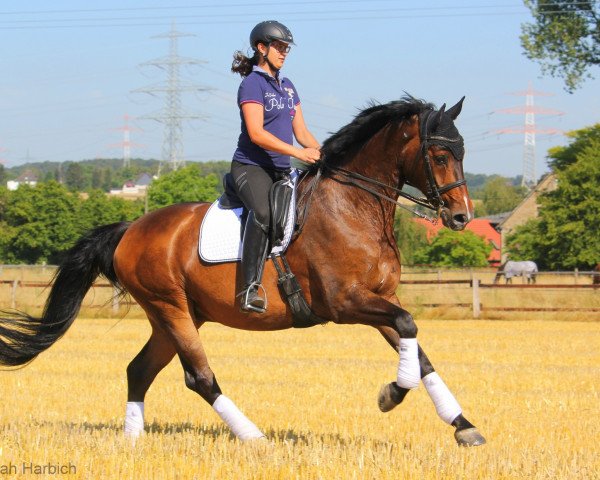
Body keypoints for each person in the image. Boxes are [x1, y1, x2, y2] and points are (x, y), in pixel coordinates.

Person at [230, 20, 321, 313]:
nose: (284, 53)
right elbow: (257, 134)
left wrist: (324, 154)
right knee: (264, 213)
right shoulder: (251, 84)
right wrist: (297, 152)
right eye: (279, 47)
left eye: (286, 48)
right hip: (250, 167)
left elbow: (302, 133)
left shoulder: (288, 86)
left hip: (281, 170)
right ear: (261, 48)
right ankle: (249, 289)